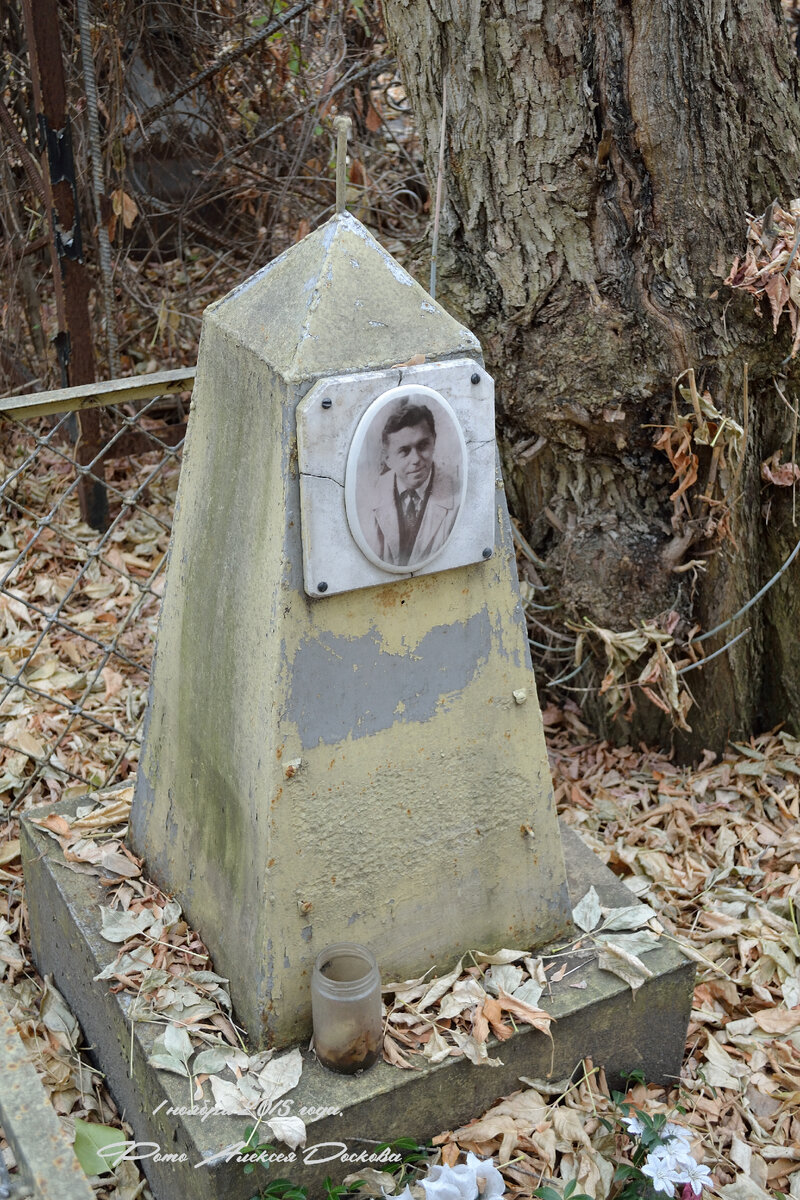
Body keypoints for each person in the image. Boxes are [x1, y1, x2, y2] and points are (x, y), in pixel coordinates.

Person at [365, 399, 460, 568]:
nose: (416, 459)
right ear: (388, 458)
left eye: (423, 445)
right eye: (404, 451)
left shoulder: (457, 493)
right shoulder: (368, 497)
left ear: (434, 441)